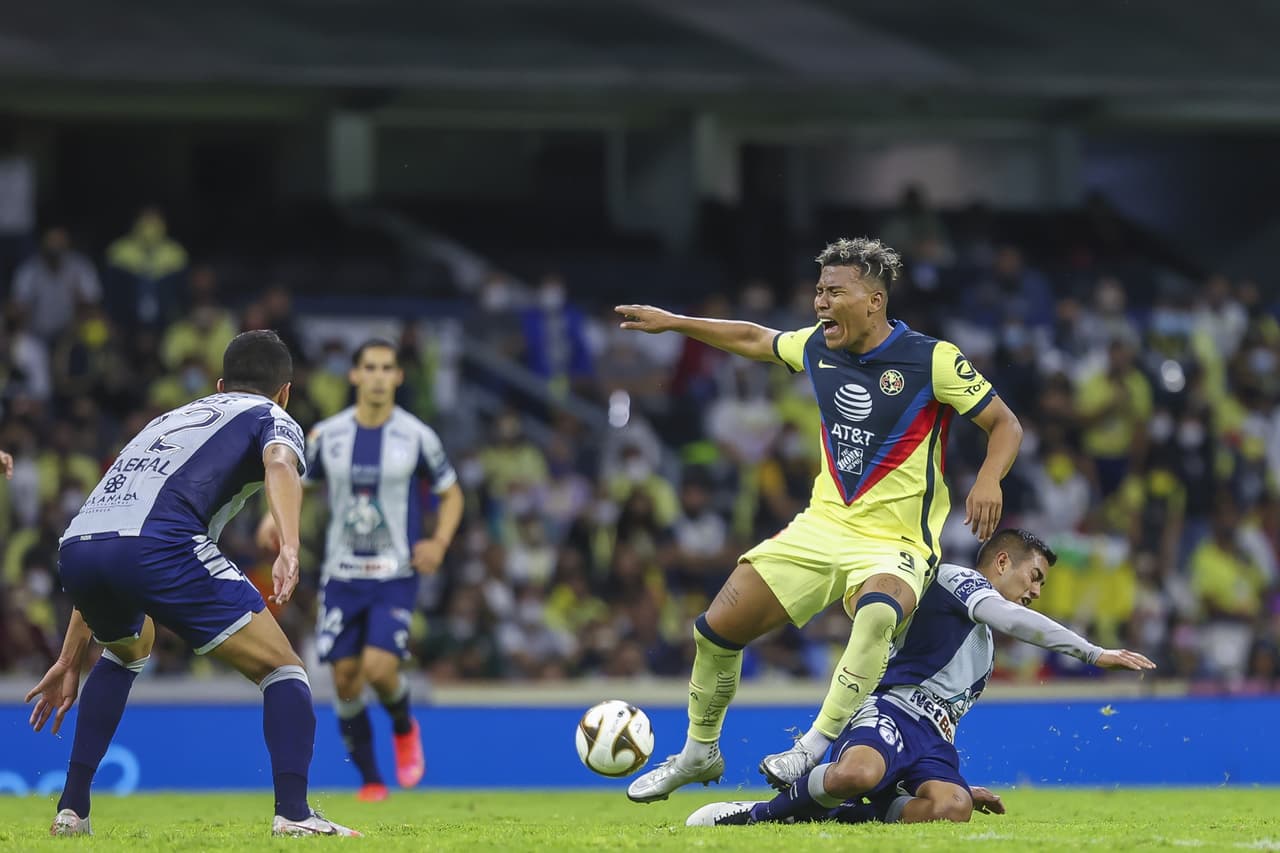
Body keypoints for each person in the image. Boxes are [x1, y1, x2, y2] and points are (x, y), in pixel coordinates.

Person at [616, 236, 1024, 802]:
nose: (820, 303)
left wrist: (988, 478)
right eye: (818, 291)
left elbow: (1006, 424)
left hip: (896, 541)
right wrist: (675, 321)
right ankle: (698, 752)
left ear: (874, 300)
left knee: (878, 614)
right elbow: (755, 338)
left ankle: (812, 744)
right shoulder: (816, 348)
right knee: (716, 628)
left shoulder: (932, 359)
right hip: (821, 528)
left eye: (835, 291)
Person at [24, 330, 358, 837]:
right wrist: (290, 545)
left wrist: (70, 659)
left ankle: (72, 811)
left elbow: (114, 533)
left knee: (130, 646)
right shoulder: (271, 415)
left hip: (80, 546)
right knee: (283, 670)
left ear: (220, 384)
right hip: (159, 546)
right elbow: (280, 463)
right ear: (285, 391)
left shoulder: (166, 421)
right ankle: (294, 814)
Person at [685, 528, 1156, 827]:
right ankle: (753, 816)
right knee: (857, 772)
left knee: (954, 808)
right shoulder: (957, 580)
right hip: (890, 709)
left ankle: (848, 814)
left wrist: (960, 785)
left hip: (931, 741)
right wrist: (1093, 652)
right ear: (1002, 562)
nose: (1035, 591)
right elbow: (1015, 620)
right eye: (1034, 576)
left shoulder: (984, 648)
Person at [258, 338, 463, 801]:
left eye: (386, 367)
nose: (376, 375)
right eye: (368, 367)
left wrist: (440, 541)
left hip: (394, 573)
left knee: (378, 668)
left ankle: (404, 726)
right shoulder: (327, 435)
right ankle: (371, 779)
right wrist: (273, 520)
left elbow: (451, 492)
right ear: (354, 376)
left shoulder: (416, 436)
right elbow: (294, 481)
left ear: (397, 377)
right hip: (341, 574)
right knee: (346, 679)